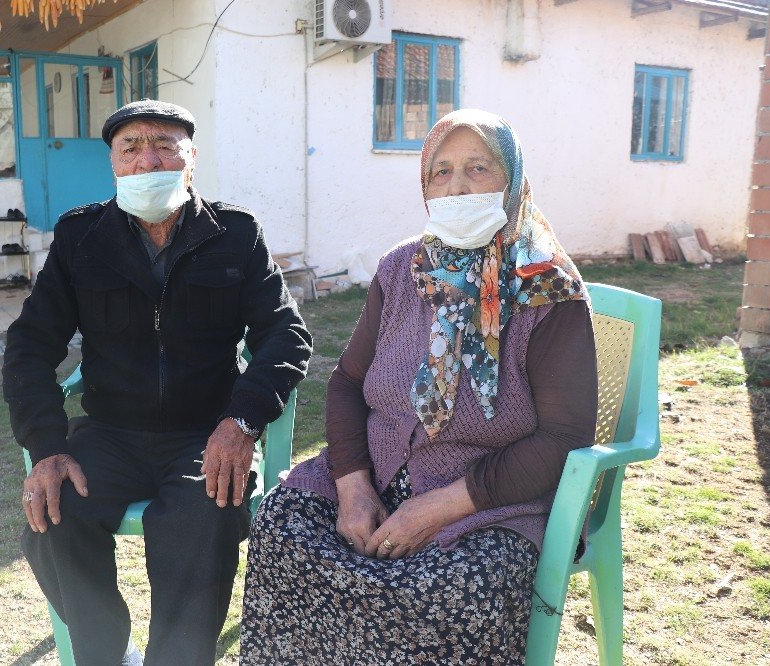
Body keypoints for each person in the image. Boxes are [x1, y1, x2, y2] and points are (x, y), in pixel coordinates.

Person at [239, 109, 597, 663]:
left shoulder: (547, 290)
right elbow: (346, 386)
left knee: (440, 592)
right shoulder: (401, 268)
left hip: (489, 500)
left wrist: (438, 508)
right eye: (441, 172)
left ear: (514, 180)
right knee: (282, 529)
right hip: (378, 473)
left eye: (479, 169)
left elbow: (562, 438)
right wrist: (354, 489)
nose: (457, 188)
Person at [3, 99, 312, 666]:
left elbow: (285, 336)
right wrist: (46, 445)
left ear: (190, 159)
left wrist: (242, 422)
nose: (149, 160)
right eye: (131, 148)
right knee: (56, 520)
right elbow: (29, 346)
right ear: (114, 165)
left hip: (207, 433)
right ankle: (106, 654)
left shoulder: (235, 234)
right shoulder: (81, 237)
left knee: (204, 517)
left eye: (166, 146)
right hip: (110, 433)